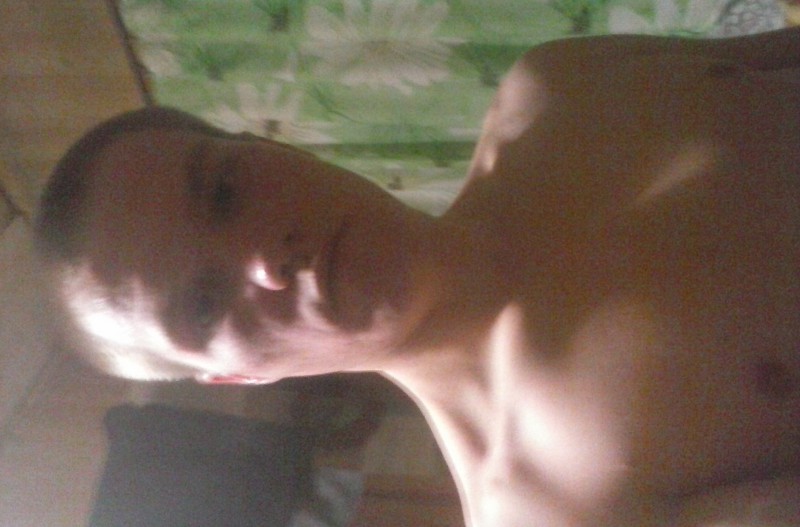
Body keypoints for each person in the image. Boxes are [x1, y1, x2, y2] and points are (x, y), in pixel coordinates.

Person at [35, 28, 800, 527]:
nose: (265, 258)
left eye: (226, 189)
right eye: (204, 304)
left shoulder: (558, 86)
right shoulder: (547, 507)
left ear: (269, 146)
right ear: (236, 376)